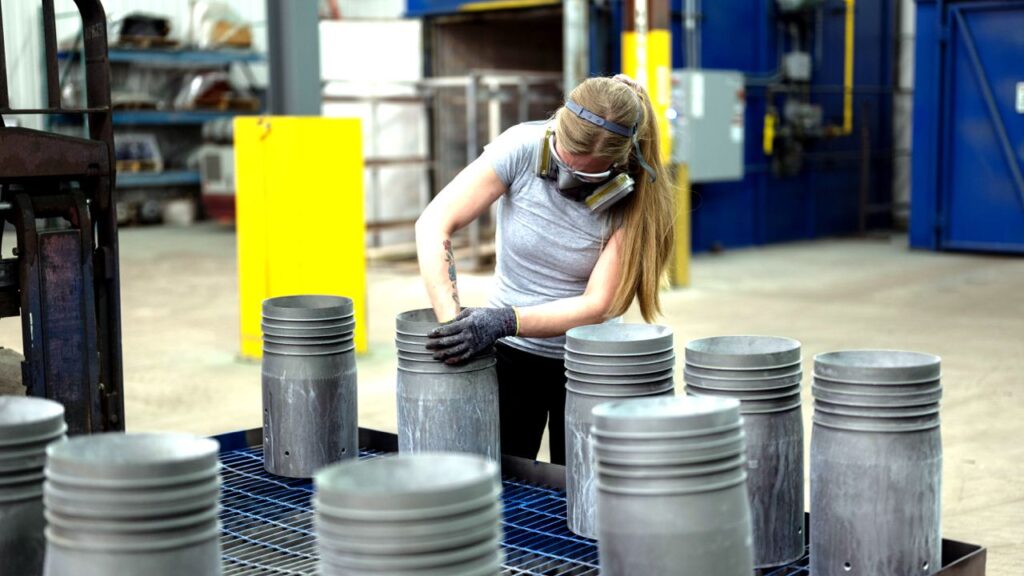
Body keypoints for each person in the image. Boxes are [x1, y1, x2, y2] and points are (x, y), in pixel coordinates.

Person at [414, 74, 674, 464]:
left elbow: (597, 305)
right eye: (560, 162)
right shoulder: (520, 146)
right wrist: (456, 327)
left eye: (585, 175)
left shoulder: (638, 200)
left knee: (584, 490)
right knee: (503, 480)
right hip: (511, 357)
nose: (566, 182)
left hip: (590, 364)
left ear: (620, 166)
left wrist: (502, 320)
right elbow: (434, 223)